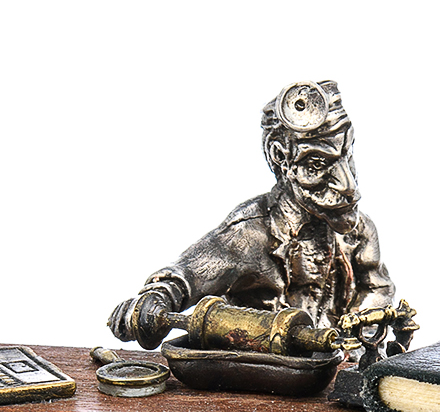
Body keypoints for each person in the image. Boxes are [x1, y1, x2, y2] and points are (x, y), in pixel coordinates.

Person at [108, 80, 401, 349]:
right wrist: (155, 299)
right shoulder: (249, 234)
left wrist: (358, 339)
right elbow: (185, 277)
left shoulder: (359, 232)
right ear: (280, 157)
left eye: (347, 155)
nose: (349, 186)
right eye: (316, 164)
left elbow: (377, 289)